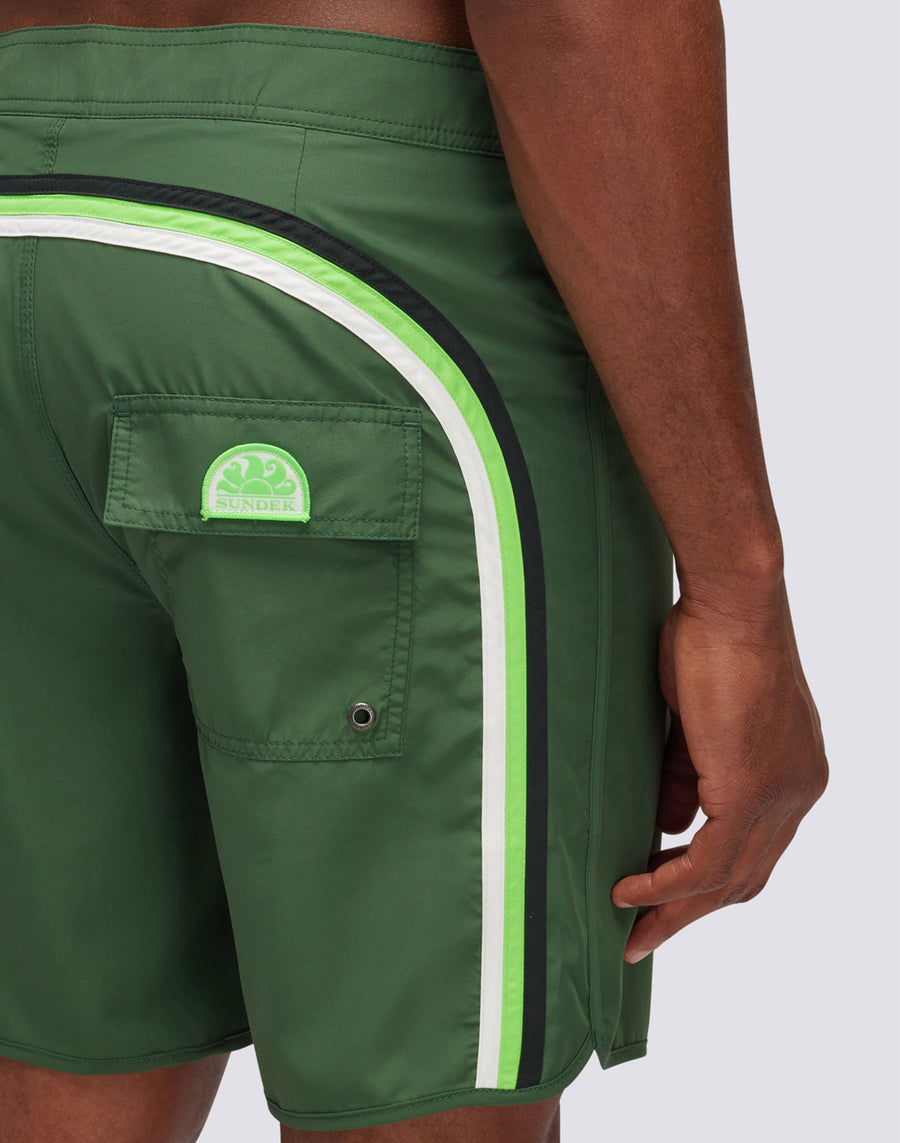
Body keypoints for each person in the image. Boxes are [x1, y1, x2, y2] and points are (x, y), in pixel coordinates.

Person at [0, 2, 828, 1141]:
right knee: (417, 1092)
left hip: (28, 209)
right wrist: (739, 592)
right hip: (336, 278)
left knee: (58, 1058)